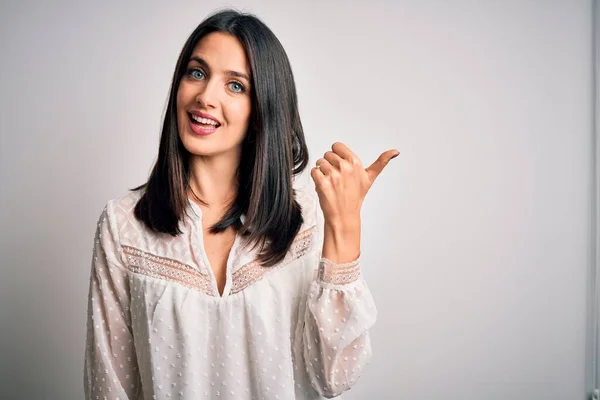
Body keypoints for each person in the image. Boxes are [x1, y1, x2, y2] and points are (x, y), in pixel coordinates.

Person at [83, 8, 399, 400]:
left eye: (235, 86)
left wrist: (344, 225)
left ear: (263, 107)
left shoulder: (306, 219)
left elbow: (333, 376)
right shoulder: (122, 225)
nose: (205, 96)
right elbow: (109, 385)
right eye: (197, 73)